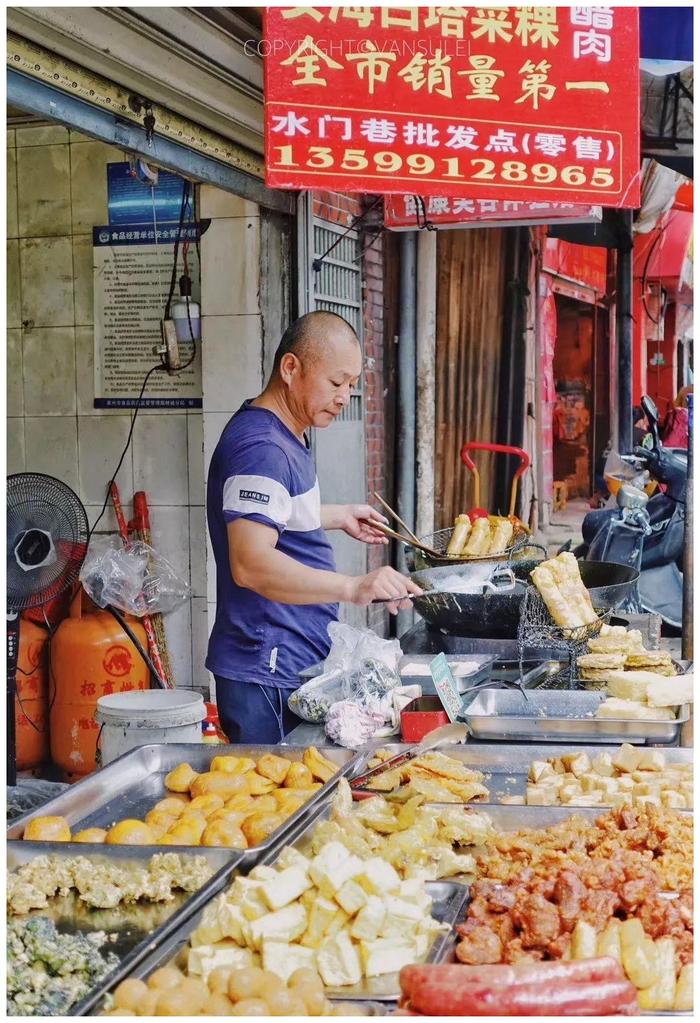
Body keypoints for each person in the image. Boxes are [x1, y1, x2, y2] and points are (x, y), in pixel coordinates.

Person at [205, 311, 422, 744]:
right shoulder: (262, 447)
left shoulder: (287, 432)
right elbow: (250, 563)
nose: (345, 396)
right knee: (276, 804)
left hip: (288, 657)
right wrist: (353, 586)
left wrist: (335, 515)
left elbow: (272, 513)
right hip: (265, 667)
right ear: (291, 368)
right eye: (336, 382)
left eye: (352, 385)